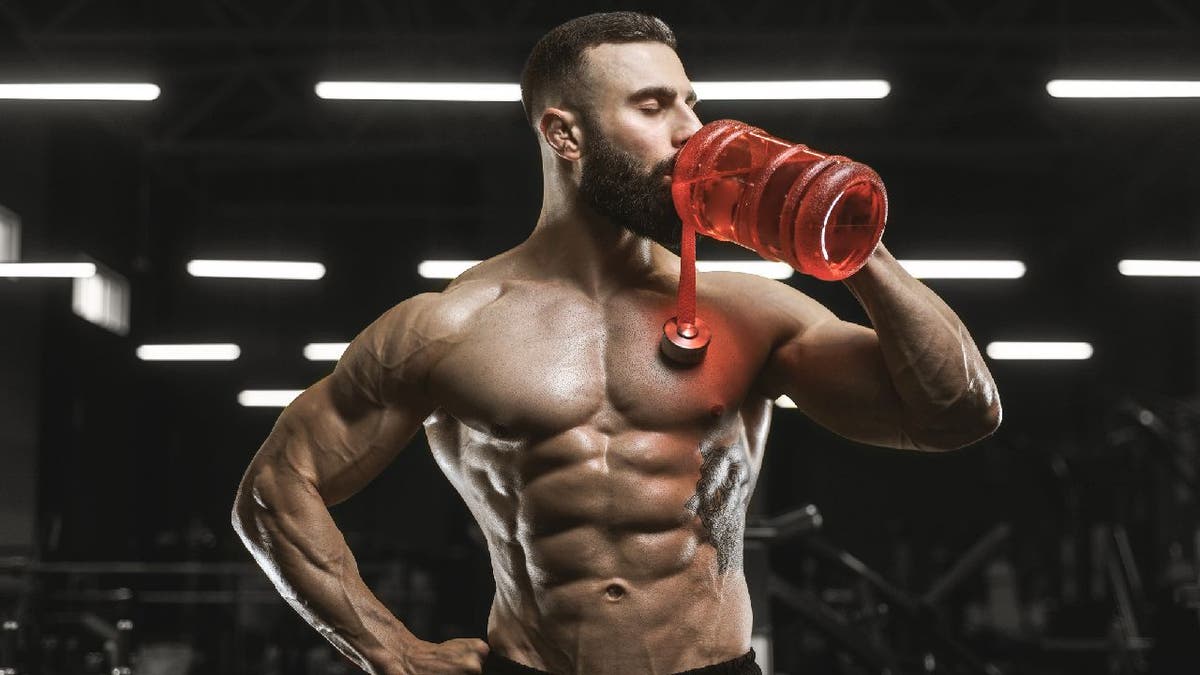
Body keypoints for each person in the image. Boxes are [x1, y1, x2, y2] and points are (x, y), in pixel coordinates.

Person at [232, 11, 1001, 675]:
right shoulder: (450, 324)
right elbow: (274, 492)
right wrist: (391, 652)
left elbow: (956, 414)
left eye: (692, 104)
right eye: (653, 106)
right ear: (565, 133)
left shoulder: (752, 310)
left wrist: (848, 242)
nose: (693, 133)